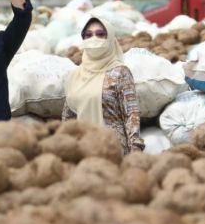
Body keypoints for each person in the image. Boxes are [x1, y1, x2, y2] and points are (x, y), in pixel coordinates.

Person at [62, 17, 145, 154]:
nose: (94, 38)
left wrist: (135, 149)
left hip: (113, 150)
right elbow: (68, 118)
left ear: (110, 39)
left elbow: (131, 114)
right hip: (83, 149)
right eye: (88, 35)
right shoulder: (75, 75)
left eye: (100, 34)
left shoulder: (120, 72)